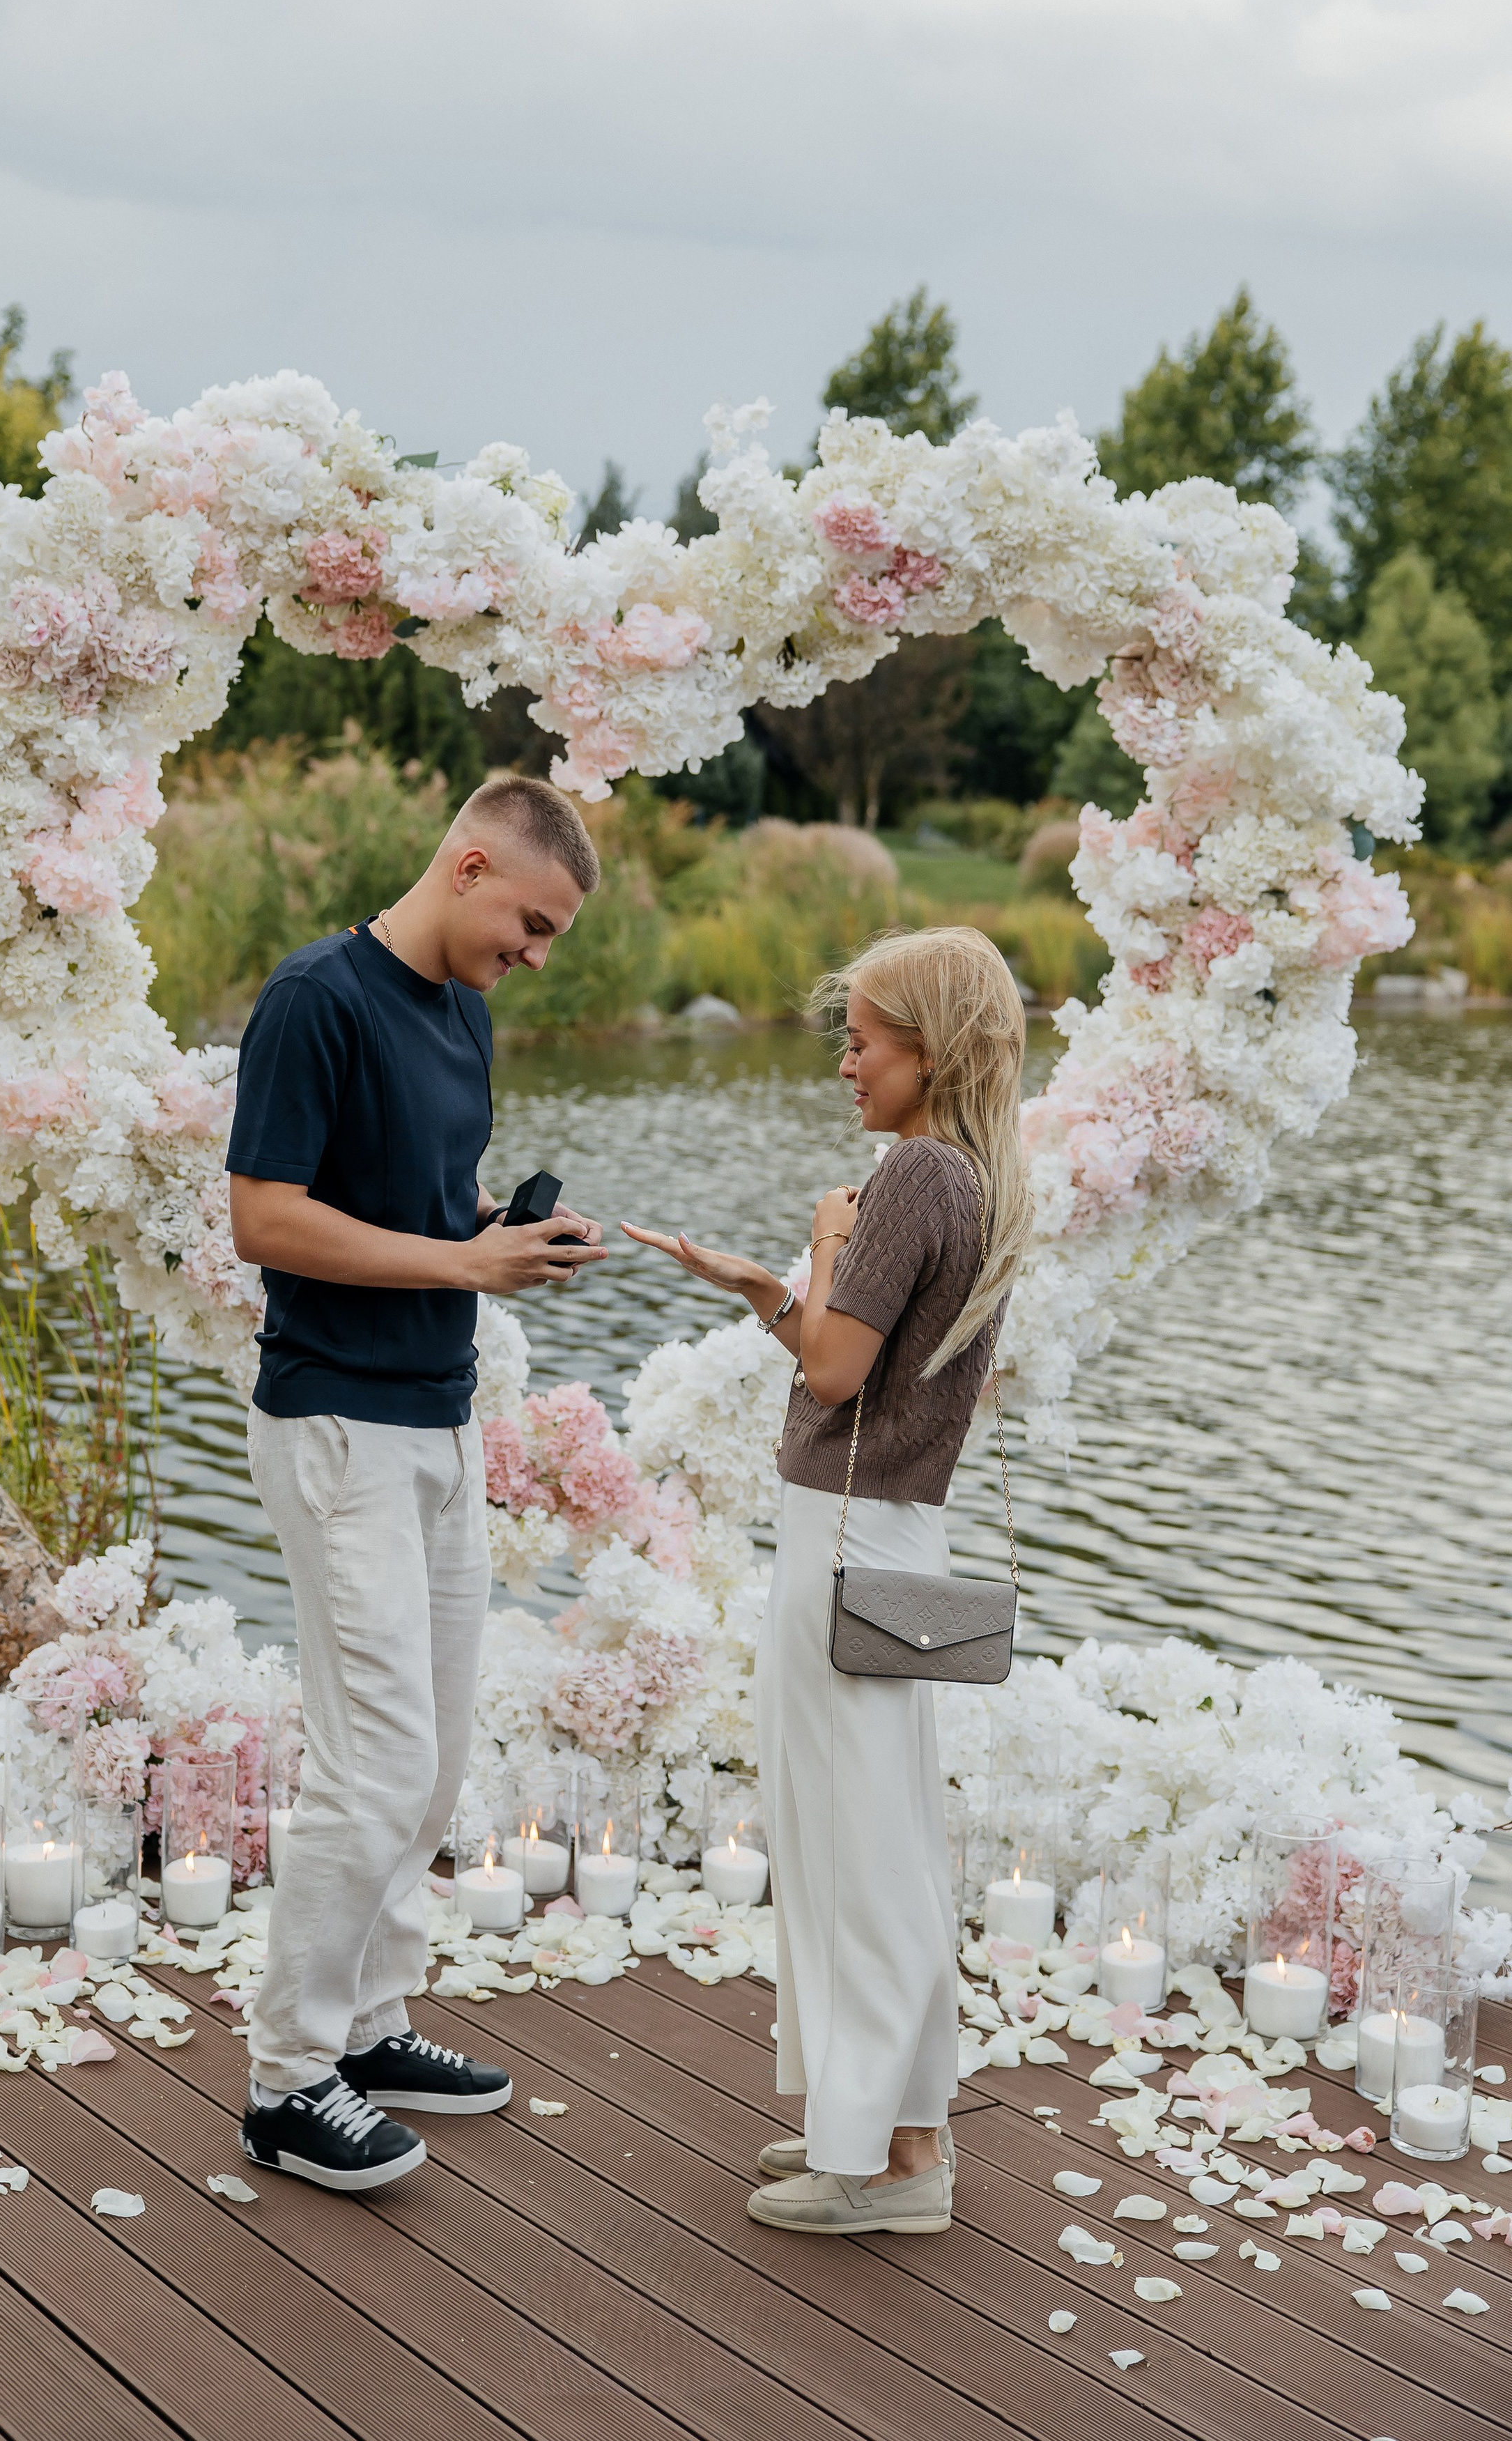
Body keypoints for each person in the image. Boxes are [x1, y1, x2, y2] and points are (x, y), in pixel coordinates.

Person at [227, 774, 608, 2192]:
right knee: (374, 1756)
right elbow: (265, 1216)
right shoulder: (313, 999)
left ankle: (370, 2024)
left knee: (436, 1760)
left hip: (440, 1424)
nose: (535, 951)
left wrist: (504, 1231)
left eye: (551, 933)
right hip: (336, 1423)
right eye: (530, 920)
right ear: (464, 866)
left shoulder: (464, 1014)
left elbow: (414, 1205)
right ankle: (283, 2078)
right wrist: (464, 1265)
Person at [624, 926, 1029, 2235]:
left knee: (857, 1850)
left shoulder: (913, 1173)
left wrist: (798, 1254)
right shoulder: (973, 1176)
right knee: (874, 1838)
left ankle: (899, 2161)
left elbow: (837, 1371)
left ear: (934, 1048)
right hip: (889, 1538)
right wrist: (772, 1284)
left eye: (865, 1037)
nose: (845, 1060)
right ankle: (882, 2125)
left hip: (850, 1540)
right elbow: (868, 1359)